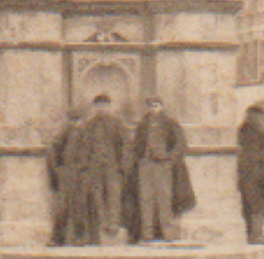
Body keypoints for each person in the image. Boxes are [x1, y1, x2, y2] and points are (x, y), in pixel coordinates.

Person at [65, 95, 126, 246]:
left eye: (104, 105)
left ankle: (114, 223)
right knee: (97, 195)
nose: (101, 108)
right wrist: (86, 164)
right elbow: (84, 146)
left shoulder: (116, 123)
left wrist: (123, 164)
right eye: (98, 105)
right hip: (94, 166)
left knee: (113, 194)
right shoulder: (90, 125)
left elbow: (125, 145)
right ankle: (103, 222)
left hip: (112, 165)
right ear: (94, 107)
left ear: (109, 106)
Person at [131, 96, 191, 243]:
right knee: (146, 199)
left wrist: (170, 158)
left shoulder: (170, 123)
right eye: (151, 105)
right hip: (145, 165)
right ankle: (147, 234)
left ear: (162, 106)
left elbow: (181, 144)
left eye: (156, 105)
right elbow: (135, 145)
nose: (154, 108)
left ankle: (168, 233)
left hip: (162, 165)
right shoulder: (142, 124)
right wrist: (139, 159)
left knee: (164, 198)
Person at [236, 104, 264, 244]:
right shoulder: (262, 132)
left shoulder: (241, 131)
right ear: (258, 117)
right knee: (259, 205)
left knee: (249, 204)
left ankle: (251, 234)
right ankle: (257, 235)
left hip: (245, 173)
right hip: (260, 172)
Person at [47, 108, 81, 246]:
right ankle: (57, 239)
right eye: (72, 120)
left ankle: (80, 238)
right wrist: (58, 170)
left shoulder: (85, 134)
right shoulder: (63, 135)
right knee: (62, 208)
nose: (75, 123)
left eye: (77, 120)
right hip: (66, 174)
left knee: (79, 207)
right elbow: (53, 153)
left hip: (81, 174)